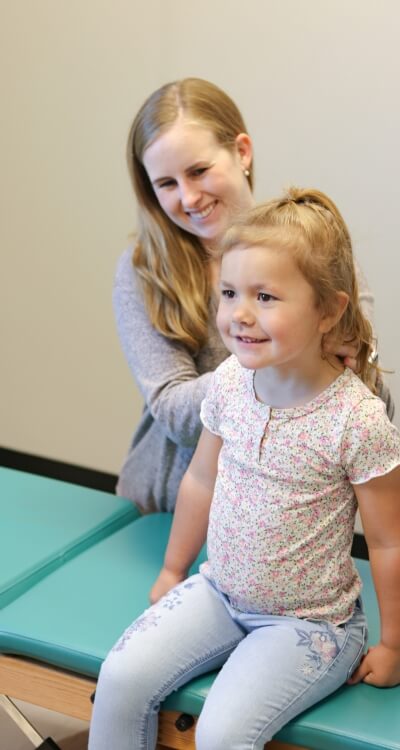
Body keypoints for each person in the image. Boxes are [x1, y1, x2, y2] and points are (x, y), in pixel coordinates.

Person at [89, 188, 400, 750]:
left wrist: (394, 646)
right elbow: (201, 480)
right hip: (219, 592)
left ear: (329, 309)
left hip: (308, 625)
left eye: (265, 296)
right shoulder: (232, 380)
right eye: (230, 292)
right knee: (120, 679)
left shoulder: (357, 419)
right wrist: (173, 568)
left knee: (222, 734)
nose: (240, 314)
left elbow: (388, 542)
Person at [114, 77, 393, 513]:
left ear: (242, 152)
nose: (188, 197)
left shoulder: (311, 247)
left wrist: (352, 355)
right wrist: (288, 350)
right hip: (169, 507)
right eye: (166, 184)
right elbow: (173, 413)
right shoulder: (142, 270)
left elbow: (359, 375)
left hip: (288, 523)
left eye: (199, 171)